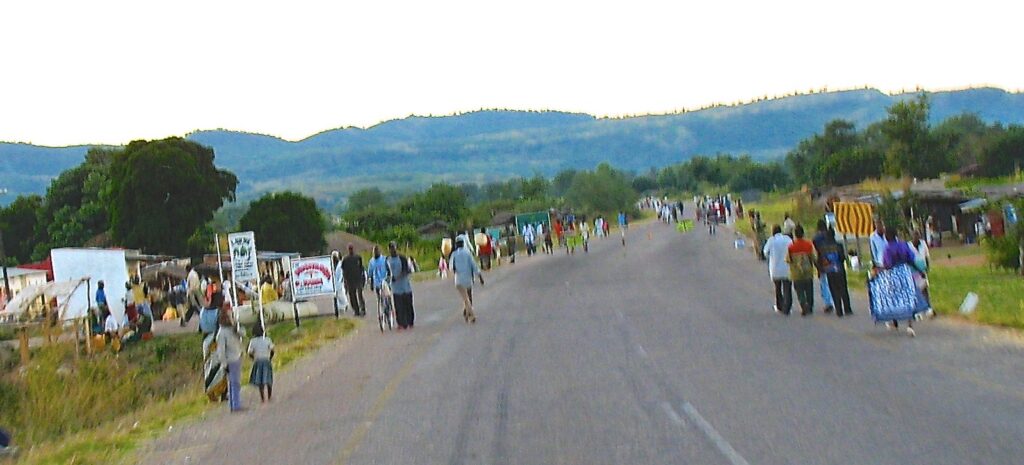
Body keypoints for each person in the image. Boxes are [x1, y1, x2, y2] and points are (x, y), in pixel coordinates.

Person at [882, 228, 919, 336]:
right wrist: (918, 270)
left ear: (887, 237)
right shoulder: (903, 245)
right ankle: (910, 326)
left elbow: (887, 264)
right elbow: (911, 258)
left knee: (893, 298)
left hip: (895, 274)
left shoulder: (887, 249)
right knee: (908, 298)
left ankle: (894, 322)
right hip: (906, 272)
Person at [818, 227, 853, 317]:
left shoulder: (823, 247)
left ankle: (839, 310)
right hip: (840, 270)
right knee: (843, 289)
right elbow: (842, 258)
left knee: (834, 290)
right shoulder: (838, 245)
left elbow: (821, 260)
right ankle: (847, 308)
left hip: (829, 271)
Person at [450, 236, 485, 323]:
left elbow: (451, 267)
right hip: (468, 280)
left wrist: (456, 270)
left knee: (465, 298)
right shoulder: (467, 253)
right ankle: (471, 315)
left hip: (458, 280)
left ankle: (467, 313)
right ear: (463, 244)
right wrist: (480, 277)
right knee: (468, 297)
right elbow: (474, 265)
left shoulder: (454, 254)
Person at [216, 306, 244, 412]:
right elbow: (221, 350)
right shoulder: (222, 333)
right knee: (234, 382)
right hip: (230, 360)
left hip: (237, 356)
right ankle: (235, 405)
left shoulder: (233, 329)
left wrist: (236, 326)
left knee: (236, 382)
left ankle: (235, 403)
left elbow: (243, 334)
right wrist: (224, 364)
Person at [787, 225, 817, 316]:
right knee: (809, 290)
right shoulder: (808, 245)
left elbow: (788, 260)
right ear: (803, 234)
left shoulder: (791, 246)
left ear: (795, 234)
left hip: (796, 274)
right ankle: (810, 306)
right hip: (808, 272)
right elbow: (814, 258)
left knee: (799, 291)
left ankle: (803, 305)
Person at [763, 225, 794, 315]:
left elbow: (765, 252)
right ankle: (787, 307)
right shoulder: (788, 239)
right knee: (787, 288)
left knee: (778, 288)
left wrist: (770, 257)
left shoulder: (771, 240)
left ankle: (779, 306)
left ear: (773, 232)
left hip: (775, 268)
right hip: (787, 267)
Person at [386, 242, 415, 329]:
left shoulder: (402, 258)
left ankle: (410, 322)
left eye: (393, 248)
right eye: (391, 248)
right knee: (398, 306)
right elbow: (387, 272)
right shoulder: (387, 260)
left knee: (408, 305)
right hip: (395, 288)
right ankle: (401, 323)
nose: (392, 250)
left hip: (405, 287)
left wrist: (397, 277)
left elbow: (406, 270)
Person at [812, 220, 835, 314]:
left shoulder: (816, 239)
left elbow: (815, 252)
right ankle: (834, 301)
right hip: (832, 261)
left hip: (821, 261)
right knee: (832, 282)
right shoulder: (830, 235)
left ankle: (827, 302)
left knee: (824, 283)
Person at [248, 323, 275, 403]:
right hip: (266, 360)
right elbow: (272, 349)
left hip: (258, 361)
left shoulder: (252, 341)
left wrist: (253, 358)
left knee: (260, 380)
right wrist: (270, 357)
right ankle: (269, 396)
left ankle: (263, 398)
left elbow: (250, 352)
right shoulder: (267, 339)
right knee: (268, 378)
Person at [340, 244, 366, 316]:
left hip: (358, 279)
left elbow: (361, 268)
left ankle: (362, 309)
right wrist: (345, 281)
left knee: (359, 295)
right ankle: (356, 310)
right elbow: (343, 270)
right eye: (349, 249)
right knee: (352, 296)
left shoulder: (358, 257)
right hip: (350, 280)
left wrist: (362, 278)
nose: (351, 250)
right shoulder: (345, 259)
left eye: (351, 248)